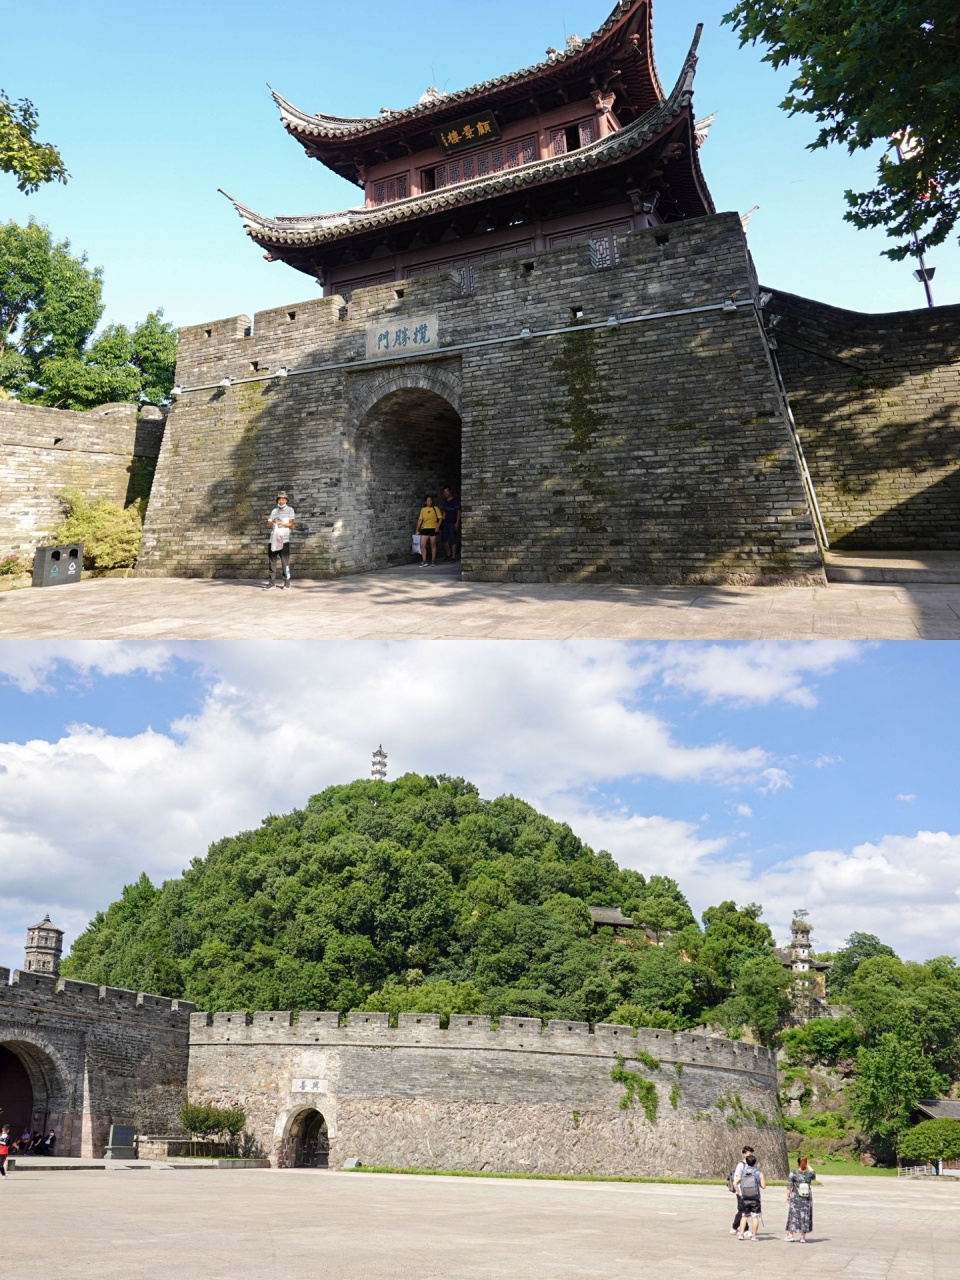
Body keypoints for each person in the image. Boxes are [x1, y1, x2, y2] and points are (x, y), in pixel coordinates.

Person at [264, 492, 295, 590]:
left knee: (285, 562)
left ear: (286, 500)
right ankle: (271, 583)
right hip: (273, 539)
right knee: (272, 562)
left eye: (283, 499)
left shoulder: (290, 510)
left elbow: (291, 524)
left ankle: (287, 582)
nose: (281, 501)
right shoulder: (274, 511)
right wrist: (273, 522)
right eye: (279, 499)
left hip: (284, 540)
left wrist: (282, 523)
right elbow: (268, 525)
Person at [734, 1153, 765, 1241]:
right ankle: (754, 1236)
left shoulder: (742, 1172)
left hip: (745, 1198)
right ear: (755, 1163)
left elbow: (735, 1183)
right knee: (755, 1217)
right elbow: (763, 1186)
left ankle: (741, 1234)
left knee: (744, 1216)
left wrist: (739, 1192)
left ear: (746, 1162)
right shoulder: (758, 1173)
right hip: (755, 1198)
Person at [785, 1154, 814, 1242]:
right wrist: (807, 1165)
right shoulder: (809, 1174)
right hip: (806, 1197)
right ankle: (803, 1237)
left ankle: (790, 1235)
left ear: (798, 1163)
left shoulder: (793, 1173)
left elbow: (789, 1186)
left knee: (793, 1215)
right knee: (805, 1215)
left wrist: (788, 1196)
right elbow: (814, 1173)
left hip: (796, 1197)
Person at [729, 1145, 756, 1237]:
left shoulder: (750, 1164)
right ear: (744, 1154)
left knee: (745, 1210)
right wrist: (739, 1191)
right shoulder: (741, 1165)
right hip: (740, 1190)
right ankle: (737, 1227)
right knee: (742, 1210)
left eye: (751, 1153)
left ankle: (741, 1228)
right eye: (749, 1153)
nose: (750, 1155)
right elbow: (736, 1178)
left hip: (748, 1191)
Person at [415, 495, 442, 566]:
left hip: (433, 528)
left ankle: (433, 560)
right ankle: (424, 560)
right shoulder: (423, 510)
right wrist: (417, 530)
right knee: (422, 544)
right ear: (425, 502)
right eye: (428, 500)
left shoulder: (435, 508)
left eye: (430, 500)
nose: (430, 502)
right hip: (424, 528)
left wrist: (438, 527)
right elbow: (420, 520)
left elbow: (440, 518)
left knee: (433, 544)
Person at [440, 485, 462, 561]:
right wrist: (441, 522)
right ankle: (449, 553)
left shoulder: (455, 501)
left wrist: (457, 523)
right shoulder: (445, 502)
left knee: (452, 539)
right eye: (444, 491)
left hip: (452, 522)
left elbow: (458, 513)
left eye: (447, 491)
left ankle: (453, 556)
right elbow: (444, 513)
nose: (446, 493)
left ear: (450, 491)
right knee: (443, 539)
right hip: (445, 523)